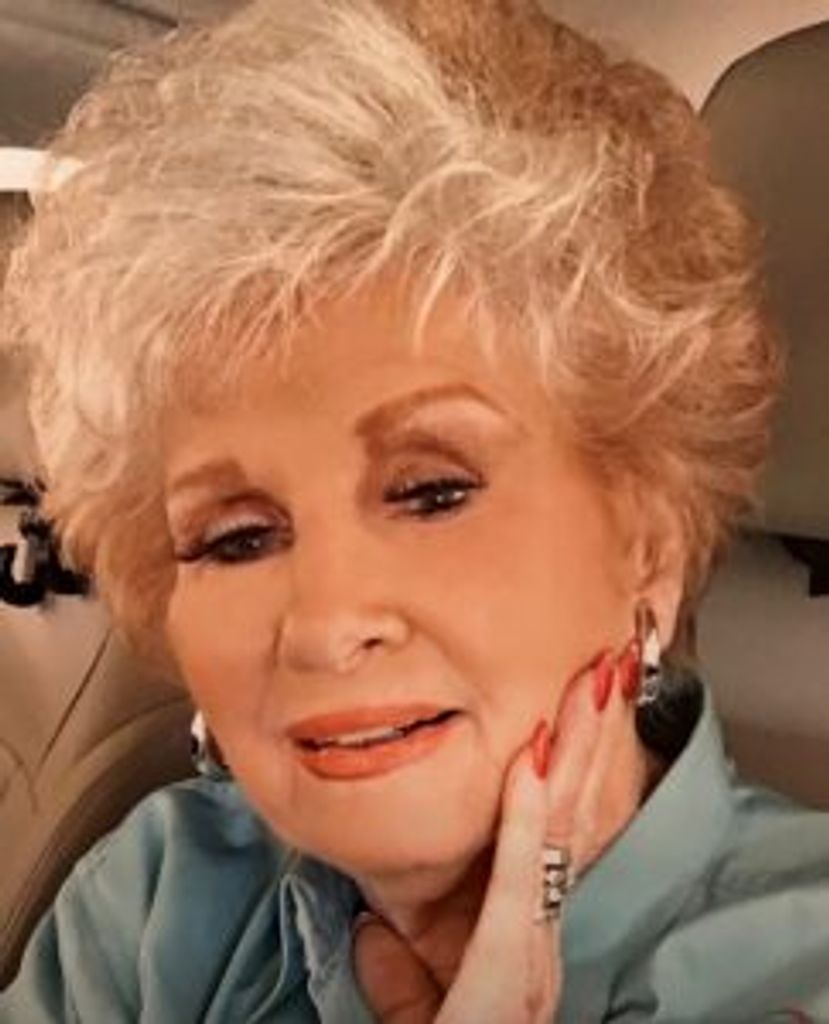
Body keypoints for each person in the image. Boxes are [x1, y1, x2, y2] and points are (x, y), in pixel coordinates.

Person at [1, 0, 828, 1020]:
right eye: (236, 538)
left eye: (433, 492)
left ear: (646, 546)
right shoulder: (154, 901)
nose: (323, 623)